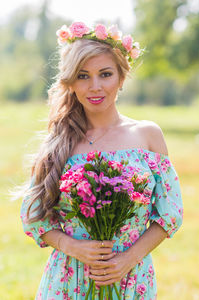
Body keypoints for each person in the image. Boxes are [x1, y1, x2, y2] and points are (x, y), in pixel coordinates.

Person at [20, 22, 183, 299]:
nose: (95, 87)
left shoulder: (147, 135)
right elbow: (34, 218)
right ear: (70, 83)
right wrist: (73, 247)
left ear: (121, 77)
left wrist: (128, 259)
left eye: (105, 74)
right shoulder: (60, 142)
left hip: (131, 278)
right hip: (69, 280)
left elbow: (169, 214)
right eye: (83, 76)